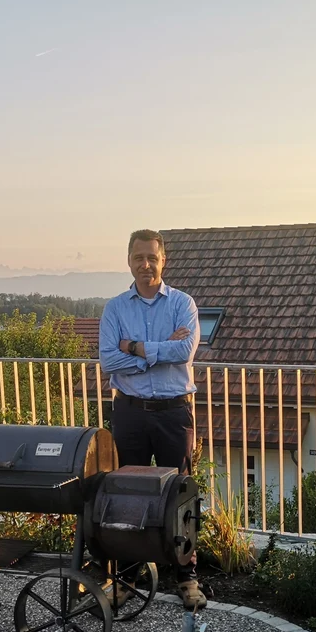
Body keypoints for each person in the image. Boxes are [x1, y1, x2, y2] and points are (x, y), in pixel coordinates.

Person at [99, 229, 206, 611]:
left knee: (180, 495)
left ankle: (187, 577)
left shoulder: (183, 304)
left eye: (152, 258)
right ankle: (127, 577)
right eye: (138, 257)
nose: (146, 264)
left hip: (174, 412)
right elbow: (108, 361)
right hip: (129, 412)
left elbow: (184, 351)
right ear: (128, 261)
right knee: (127, 494)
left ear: (164, 261)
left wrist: (133, 347)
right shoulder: (115, 308)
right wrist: (153, 353)